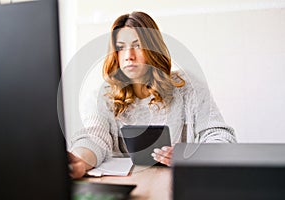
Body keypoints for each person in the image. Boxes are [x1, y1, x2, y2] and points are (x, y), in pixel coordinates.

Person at [68, 11, 236, 179]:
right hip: (128, 183)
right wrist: (80, 161)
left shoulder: (187, 87)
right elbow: (94, 138)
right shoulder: (103, 96)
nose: (129, 56)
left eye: (138, 45)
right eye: (120, 48)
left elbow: (219, 135)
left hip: (182, 182)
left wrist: (191, 157)